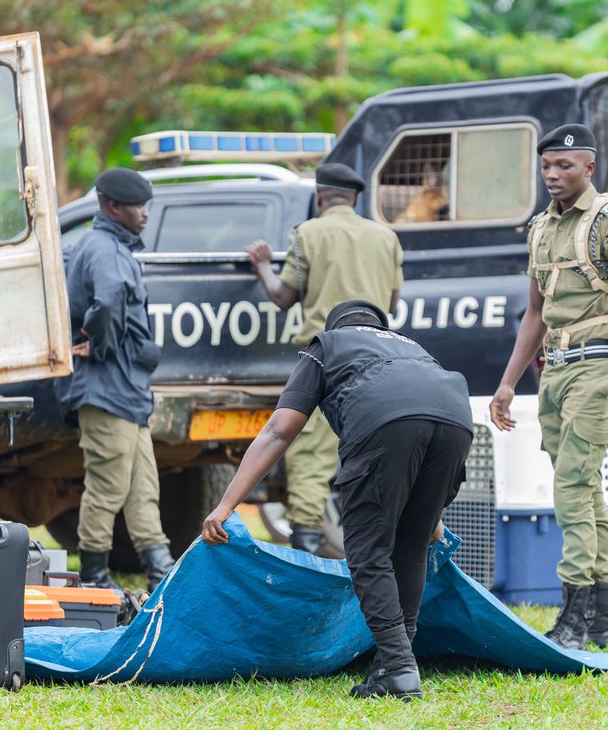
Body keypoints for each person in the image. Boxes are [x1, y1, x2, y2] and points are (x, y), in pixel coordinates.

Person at [201, 299, 473, 700]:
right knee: (411, 547)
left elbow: (279, 431)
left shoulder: (327, 345)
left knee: (368, 553)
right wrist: (430, 514)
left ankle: (398, 668)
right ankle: (390, 664)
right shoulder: (411, 347)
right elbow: (427, 413)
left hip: (386, 419)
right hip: (457, 421)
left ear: (336, 326)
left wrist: (226, 506)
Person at [489, 124, 608, 650]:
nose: (553, 176)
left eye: (564, 166)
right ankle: (605, 618)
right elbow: (534, 313)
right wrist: (507, 384)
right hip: (555, 371)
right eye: (546, 168)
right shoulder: (541, 228)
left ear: (589, 167)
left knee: (572, 489)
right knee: (584, 487)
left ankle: (574, 618)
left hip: (600, 365)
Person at [246, 162, 404, 554]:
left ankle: (306, 545)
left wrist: (263, 265)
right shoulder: (386, 237)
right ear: (355, 199)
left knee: (311, 455)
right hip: (380, 357)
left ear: (320, 197)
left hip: (327, 357)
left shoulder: (307, 234)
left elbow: (284, 297)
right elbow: (391, 303)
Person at [57, 167, 175, 592]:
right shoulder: (104, 248)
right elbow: (107, 302)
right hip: (105, 388)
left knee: (143, 487)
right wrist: (100, 345)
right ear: (111, 207)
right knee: (107, 487)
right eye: (137, 206)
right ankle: (93, 578)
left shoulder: (112, 246)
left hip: (125, 389)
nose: (145, 214)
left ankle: (161, 572)